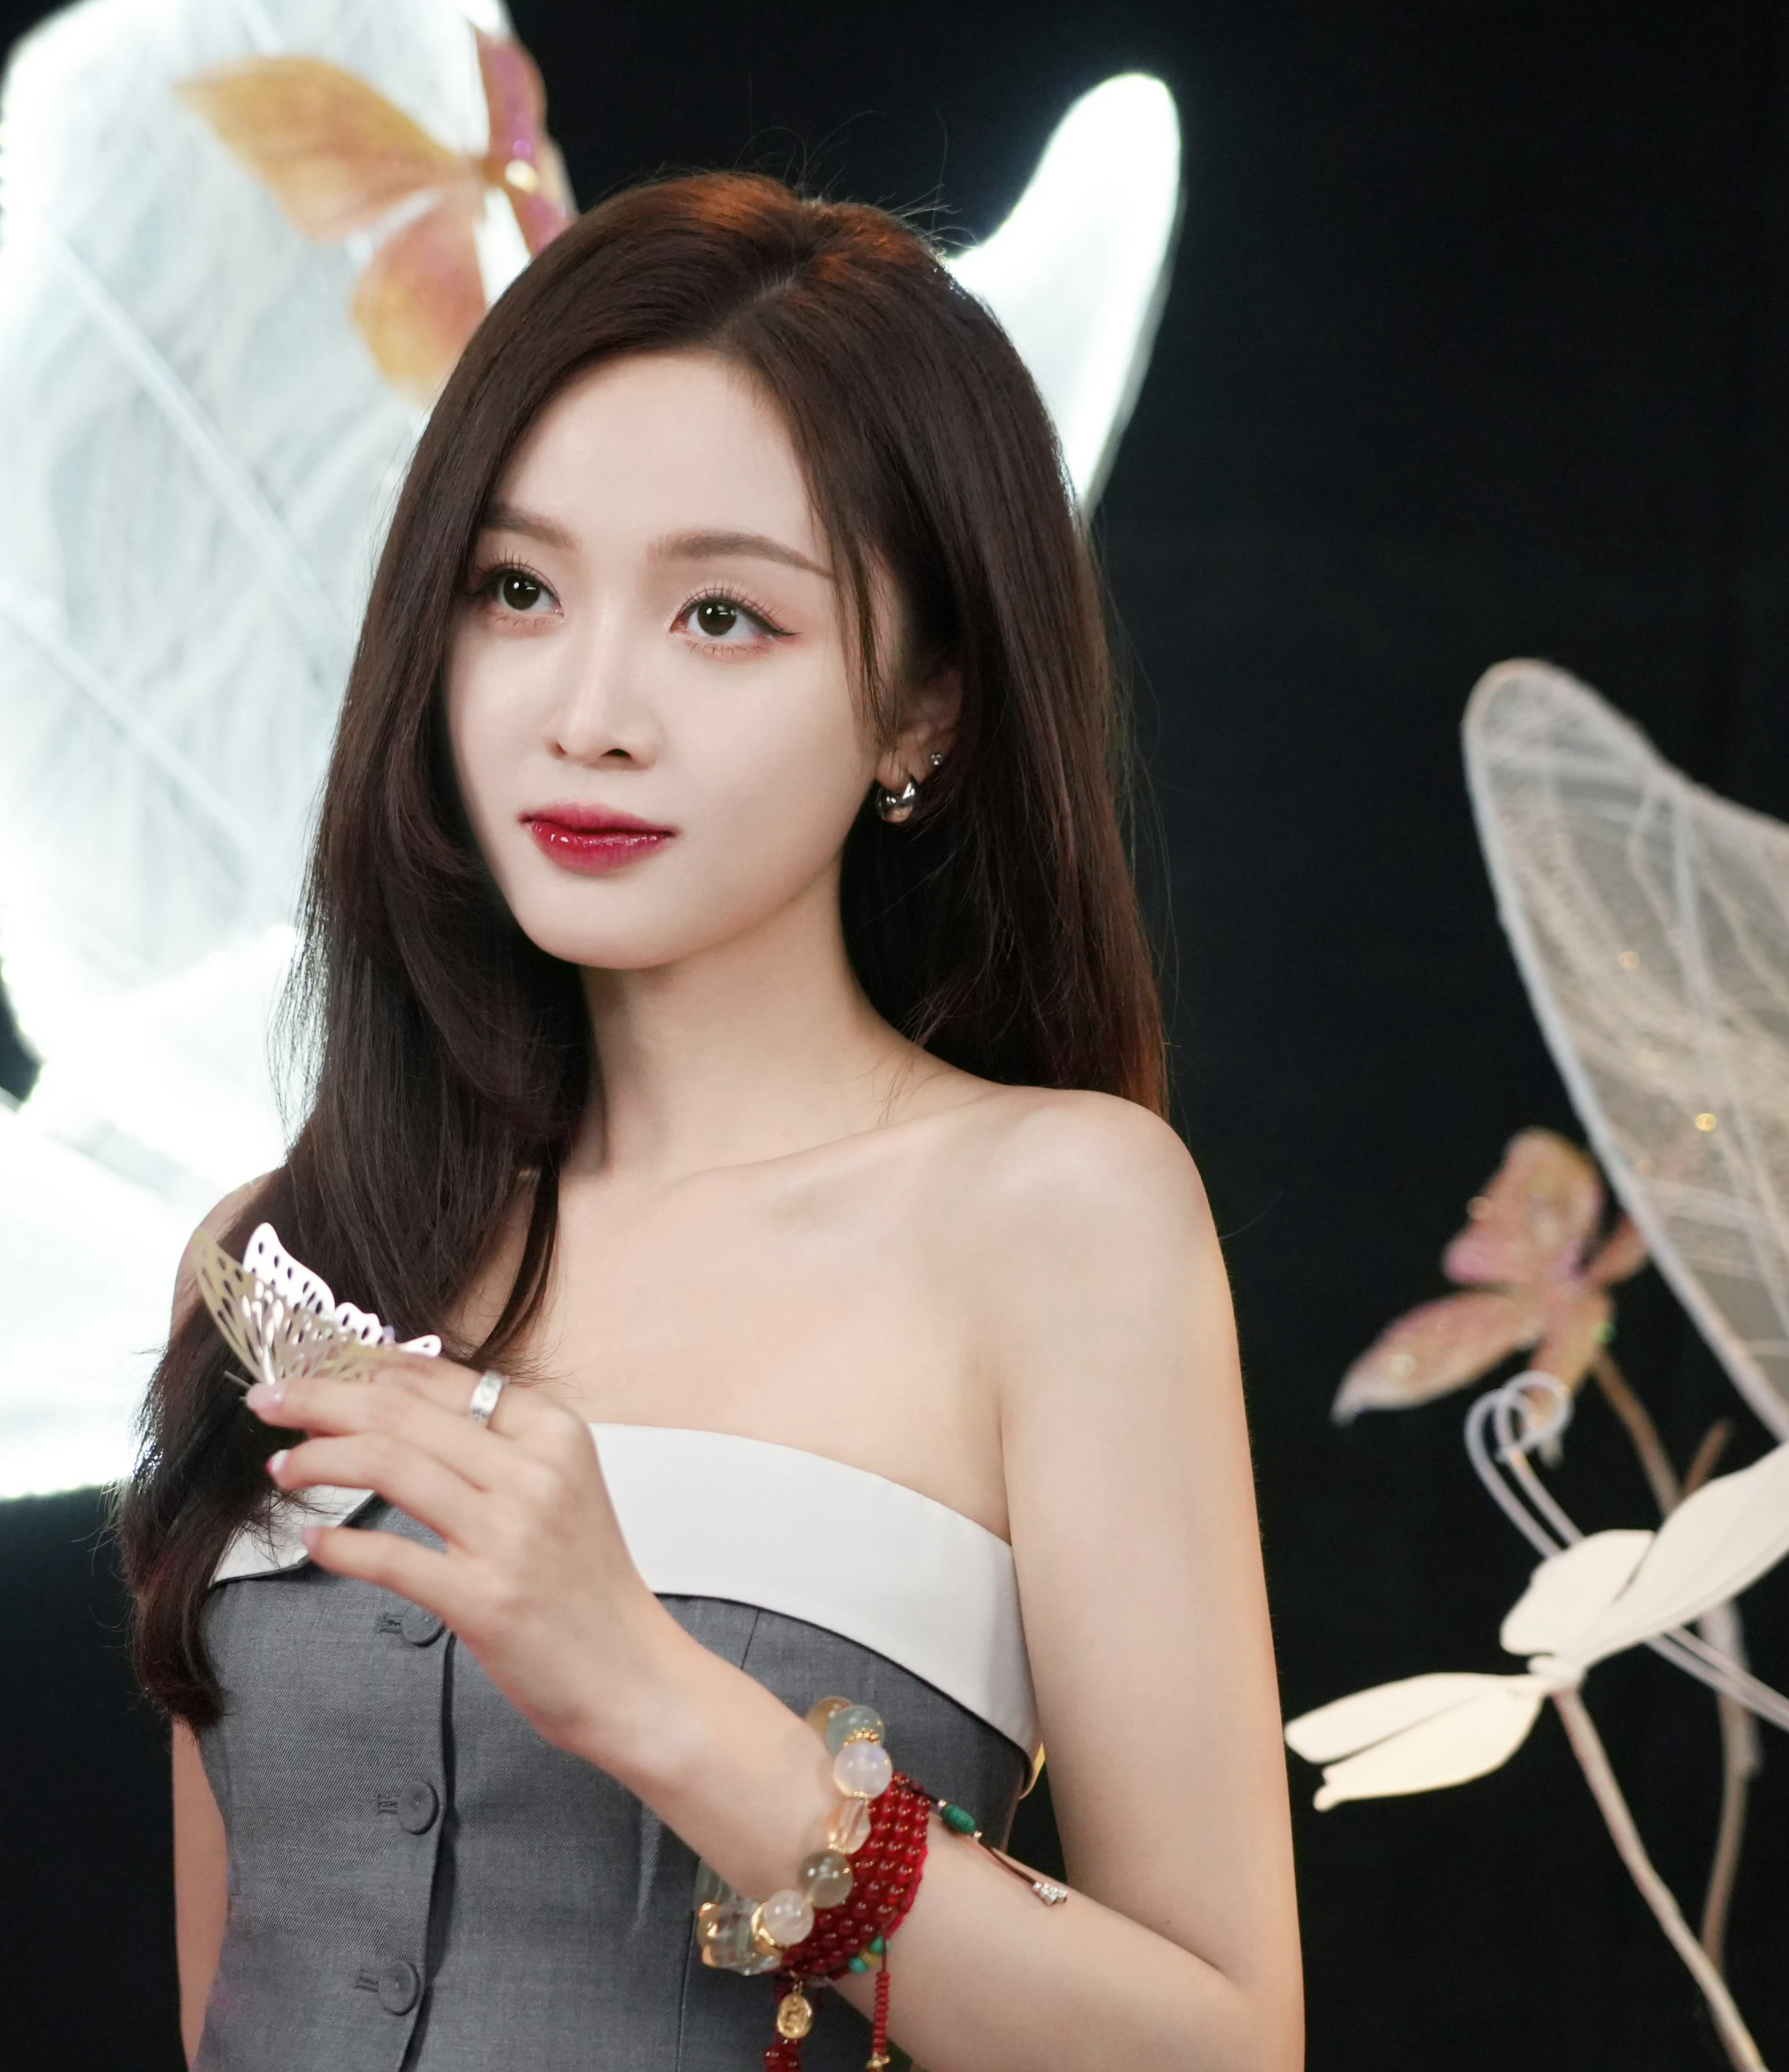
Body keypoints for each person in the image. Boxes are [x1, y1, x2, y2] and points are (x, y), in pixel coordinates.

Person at [117, 170, 1302, 2072]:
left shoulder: (1054, 1213)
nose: (590, 711)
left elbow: (1224, 2050)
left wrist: (656, 1694)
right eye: (518, 590)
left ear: (922, 709)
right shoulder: (288, 1249)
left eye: (724, 617)